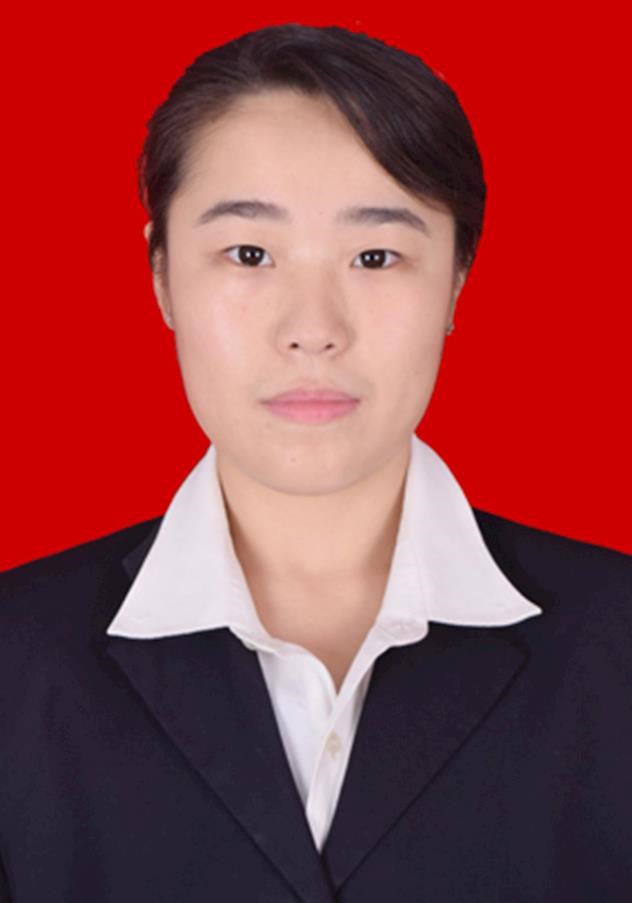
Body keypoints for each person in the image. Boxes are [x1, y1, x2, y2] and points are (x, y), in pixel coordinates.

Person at [0, 22, 630, 903]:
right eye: (249, 253)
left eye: (375, 256)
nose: (313, 328)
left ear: (456, 279)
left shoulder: (617, 646)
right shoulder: (15, 660)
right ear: (161, 275)